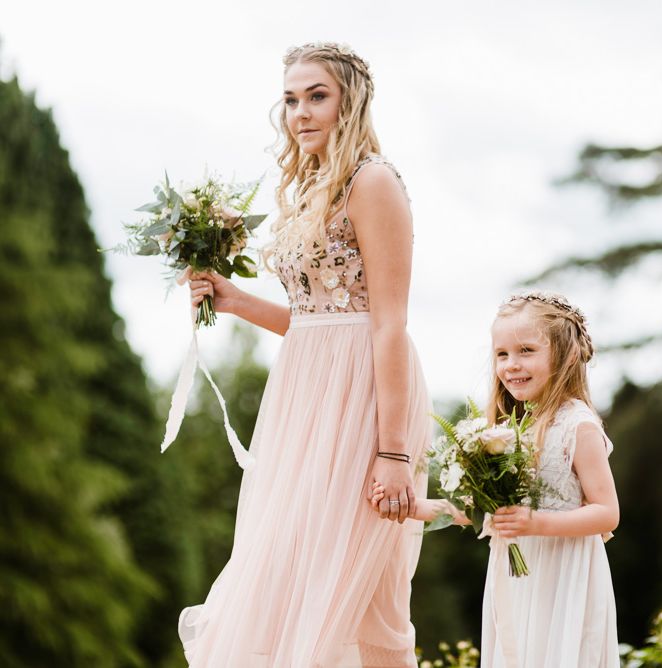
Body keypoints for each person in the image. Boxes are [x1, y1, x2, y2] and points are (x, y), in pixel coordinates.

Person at [179, 42, 431, 667]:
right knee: (286, 563)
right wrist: (234, 300)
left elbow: (388, 321)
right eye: (290, 99)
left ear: (351, 100)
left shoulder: (372, 182)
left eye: (316, 96)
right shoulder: (311, 188)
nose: (300, 112)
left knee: (356, 586)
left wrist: (392, 450)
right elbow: (314, 321)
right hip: (303, 394)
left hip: (367, 393)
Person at [373, 292, 620, 667]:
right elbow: (480, 512)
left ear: (567, 354)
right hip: (515, 577)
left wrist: (537, 523)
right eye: (502, 354)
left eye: (526, 351)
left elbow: (607, 513)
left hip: (564, 576)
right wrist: (409, 506)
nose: (511, 365)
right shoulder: (509, 431)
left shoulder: (578, 425)